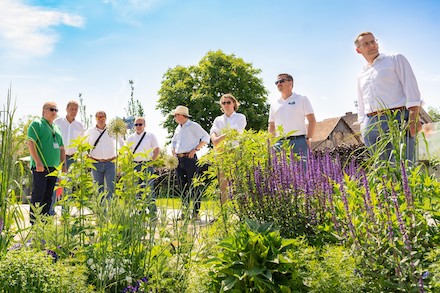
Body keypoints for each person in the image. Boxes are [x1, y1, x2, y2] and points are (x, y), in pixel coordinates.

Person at [355, 31, 422, 163]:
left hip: (398, 118)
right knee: (383, 170)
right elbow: (361, 102)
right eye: (366, 44)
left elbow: (411, 88)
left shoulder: (395, 59)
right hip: (371, 123)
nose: (371, 46)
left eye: (373, 41)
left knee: (405, 165)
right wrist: (363, 126)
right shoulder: (361, 74)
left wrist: (414, 117)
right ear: (359, 50)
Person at [27, 102, 66, 224]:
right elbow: (30, 143)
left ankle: (44, 222)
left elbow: (61, 148)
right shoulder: (36, 124)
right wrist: (38, 162)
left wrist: (63, 165)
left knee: (49, 196)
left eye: (56, 110)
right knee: (39, 194)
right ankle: (35, 224)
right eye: (51, 109)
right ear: (44, 111)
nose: (54, 112)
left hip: (54, 168)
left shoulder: (57, 128)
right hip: (41, 167)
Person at [171, 105, 210, 220]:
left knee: (194, 186)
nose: (174, 117)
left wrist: (196, 149)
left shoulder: (193, 126)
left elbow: (206, 137)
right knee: (182, 186)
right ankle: (184, 212)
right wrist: (173, 150)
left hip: (190, 159)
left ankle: (195, 213)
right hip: (179, 159)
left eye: (176, 115)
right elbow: (173, 141)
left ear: (181, 115)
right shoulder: (178, 128)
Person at [210, 94, 247, 204]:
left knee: (236, 181)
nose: (226, 105)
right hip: (221, 153)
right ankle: (225, 211)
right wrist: (214, 140)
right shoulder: (218, 119)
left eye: (228, 102)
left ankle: (239, 211)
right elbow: (213, 132)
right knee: (223, 183)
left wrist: (218, 139)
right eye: (223, 103)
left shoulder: (240, 117)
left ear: (234, 103)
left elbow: (235, 132)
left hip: (234, 151)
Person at [268, 73, 316, 156]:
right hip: (280, 143)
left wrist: (309, 138)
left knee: (302, 168)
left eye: (281, 81)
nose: (279, 84)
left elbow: (312, 120)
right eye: (277, 82)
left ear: (291, 82)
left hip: (299, 142)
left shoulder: (302, 99)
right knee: (280, 169)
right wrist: (272, 142)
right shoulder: (274, 104)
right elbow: (271, 126)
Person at [50, 100, 84, 215]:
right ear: (66, 109)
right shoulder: (57, 122)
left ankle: (65, 213)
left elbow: (81, 144)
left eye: (76, 109)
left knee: (68, 187)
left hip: (72, 159)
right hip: (57, 157)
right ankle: (50, 212)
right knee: (54, 185)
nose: (73, 111)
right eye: (72, 109)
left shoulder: (79, 126)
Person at [84, 111, 124, 198]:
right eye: (98, 117)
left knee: (111, 188)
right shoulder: (90, 131)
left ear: (106, 118)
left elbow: (122, 144)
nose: (100, 119)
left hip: (110, 163)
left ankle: (110, 210)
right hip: (95, 163)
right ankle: (101, 211)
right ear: (95, 118)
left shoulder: (112, 130)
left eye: (102, 117)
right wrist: (86, 156)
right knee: (99, 189)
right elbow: (82, 144)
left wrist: (120, 155)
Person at [126, 117, 160, 214]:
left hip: (147, 164)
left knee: (149, 188)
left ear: (144, 125)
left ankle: (152, 212)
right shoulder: (130, 138)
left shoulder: (150, 136)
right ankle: (140, 211)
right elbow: (128, 153)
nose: (138, 126)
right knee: (137, 189)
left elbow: (157, 150)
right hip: (135, 165)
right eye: (136, 125)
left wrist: (151, 162)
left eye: (140, 124)